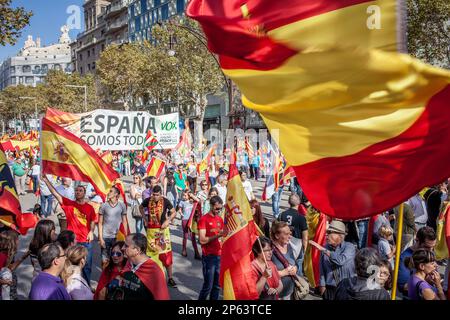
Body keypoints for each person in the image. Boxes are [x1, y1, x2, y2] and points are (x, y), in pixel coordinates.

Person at [42, 175, 96, 285]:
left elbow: (93, 221)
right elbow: (55, 194)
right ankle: (69, 286)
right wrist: (46, 180)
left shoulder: (89, 208)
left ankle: (85, 286)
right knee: (69, 266)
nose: (77, 192)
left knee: (87, 266)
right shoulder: (69, 204)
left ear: (84, 193)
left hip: (86, 241)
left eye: (80, 191)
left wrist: (91, 231)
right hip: (72, 242)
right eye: (76, 190)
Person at [140, 185, 177, 288]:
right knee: (151, 254)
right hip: (151, 230)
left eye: (157, 195)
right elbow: (140, 207)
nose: (155, 197)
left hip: (162, 231)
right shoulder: (148, 200)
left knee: (166, 254)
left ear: (161, 194)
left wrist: (168, 220)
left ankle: (170, 278)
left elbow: (174, 212)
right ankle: (153, 277)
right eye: (154, 194)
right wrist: (145, 219)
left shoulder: (165, 201)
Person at [115, 233, 169, 300]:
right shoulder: (129, 262)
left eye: (126, 246)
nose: (122, 248)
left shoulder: (154, 270)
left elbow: (162, 297)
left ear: (137, 250)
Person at [314, 220, 356, 300]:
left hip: (346, 288)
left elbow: (341, 260)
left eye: (330, 232)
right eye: (327, 232)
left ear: (340, 235)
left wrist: (325, 251)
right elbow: (321, 268)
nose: (326, 234)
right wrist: (322, 286)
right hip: (330, 288)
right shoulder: (325, 247)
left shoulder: (349, 247)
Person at [198, 196, 226, 300]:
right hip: (209, 256)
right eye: (217, 208)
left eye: (220, 208)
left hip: (219, 256)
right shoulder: (204, 219)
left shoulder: (220, 219)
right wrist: (218, 236)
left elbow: (223, 236)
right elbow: (202, 240)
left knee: (217, 286)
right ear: (211, 206)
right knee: (207, 287)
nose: (219, 211)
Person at [397, 226, 437, 296]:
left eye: (433, 247)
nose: (430, 251)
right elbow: (403, 286)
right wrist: (423, 281)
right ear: (417, 240)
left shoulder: (430, 253)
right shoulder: (405, 257)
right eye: (427, 247)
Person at [270, 221, 304, 300]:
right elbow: (262, 272)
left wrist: (295, 268)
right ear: (277, 236)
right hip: (276, 295)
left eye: (290, 233)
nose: (290, 237)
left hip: (290, 292)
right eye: (286, 234)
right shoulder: (269, 250)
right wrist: (281, 273)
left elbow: (297, 261)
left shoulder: (290, 246)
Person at [98, 186, 128, 269]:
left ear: (116, 194)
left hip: (117, 237)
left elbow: (124, 221)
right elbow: (100, 223)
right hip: (105, 237)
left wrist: (126, 236)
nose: (108, 193)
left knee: (117, 260)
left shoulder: (122, 205)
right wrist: (100, 238)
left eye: (111, 191)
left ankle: (115, 278)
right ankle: (105, 279)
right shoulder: (103, 206)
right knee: (105, 260)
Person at [177, 190, 201, 259]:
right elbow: (179, 209)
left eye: (185, 195)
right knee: (185, 235)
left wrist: (192, 196)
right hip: (185, 220)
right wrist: (181, 214)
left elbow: (199, 201)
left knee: (193, 237)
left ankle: (196, 253)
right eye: (183, 195)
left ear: (189, 196)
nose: (184, 197)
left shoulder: (193, 202)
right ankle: (184, 250)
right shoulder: (182, 202)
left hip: (192, 220)